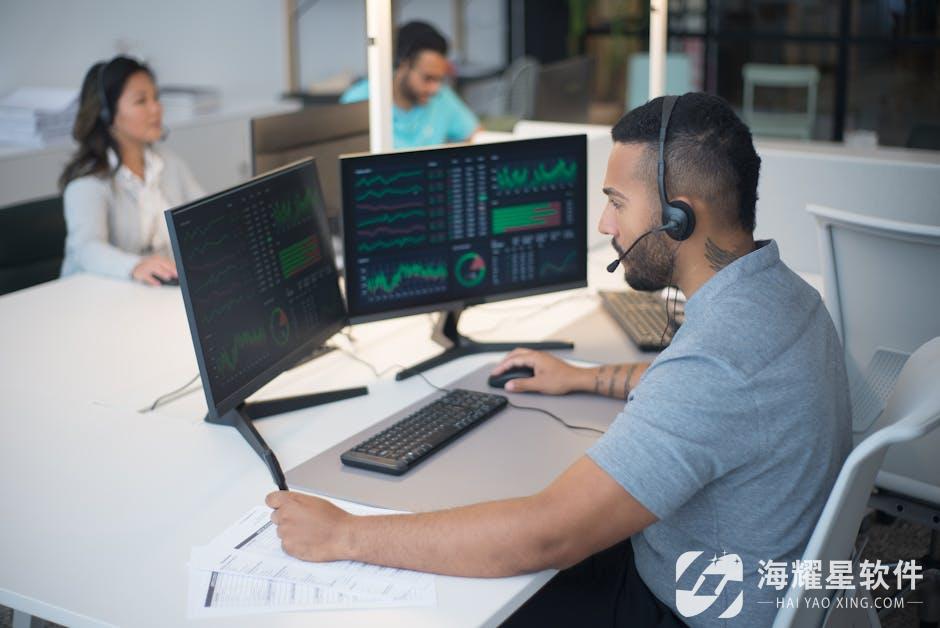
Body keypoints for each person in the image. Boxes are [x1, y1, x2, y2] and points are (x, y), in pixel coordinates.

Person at [266, 93, 852, 627]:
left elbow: (545, 534)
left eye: (617, 203)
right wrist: (583, 378)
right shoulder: (784, 296)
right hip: (735, 581)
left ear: (679, 216)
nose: (606, 225)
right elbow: (713, 395)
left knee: (467, 603)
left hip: (679, 610)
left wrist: (345, 533)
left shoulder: (716, 360)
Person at [59, 55, 204, 286]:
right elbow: (87, 248)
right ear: (107, 115)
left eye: (156, 98)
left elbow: (203, 217)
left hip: (153, 293)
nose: (156, 108)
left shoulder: (168, 163)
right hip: (95, 298)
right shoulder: (88, 181)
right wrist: (134, 266)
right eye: (141, 101)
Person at [340, 20, 481, 149]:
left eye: (440, 80)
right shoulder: (358, 100)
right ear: (403, 65)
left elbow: (477, 136)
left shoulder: (442, 98)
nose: (435, 89)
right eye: (428, 78)